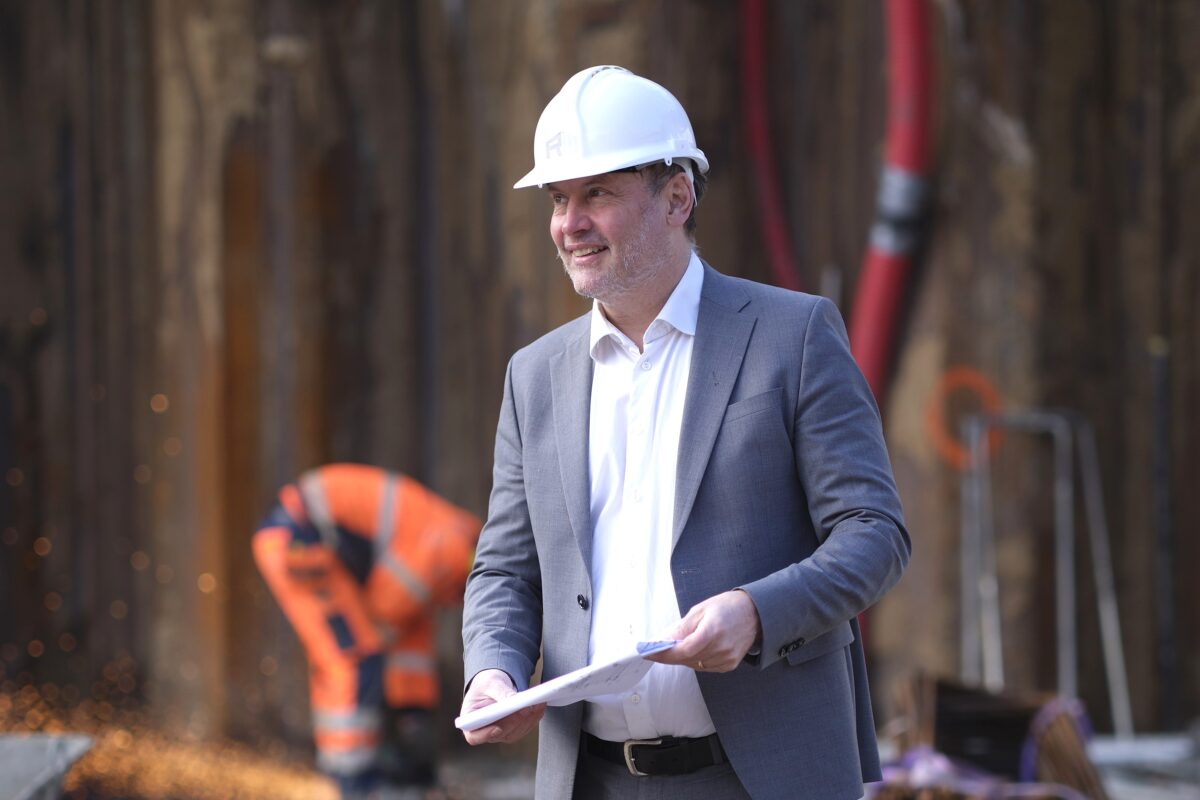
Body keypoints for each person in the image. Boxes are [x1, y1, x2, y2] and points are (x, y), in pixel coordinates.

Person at [460, 65, 911, 799]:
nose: (569, 223)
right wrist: (493, 670)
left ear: (677, 198)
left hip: (763, 779)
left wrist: (758, 614)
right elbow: (505, 571)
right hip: (591, 782)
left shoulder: (793, 336)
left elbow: (874, 533)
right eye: (558, 199)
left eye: (597, 194)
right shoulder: (534, 376)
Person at [253, 463, 480, 799]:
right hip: (297, 542)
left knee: (361, 651)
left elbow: (410, 645)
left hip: (307, 538)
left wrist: (413, 717)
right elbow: (384, 612)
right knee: (356, 656)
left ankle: (359, 773)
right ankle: (351, 780)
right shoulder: (447, 551)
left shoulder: (450, 544)